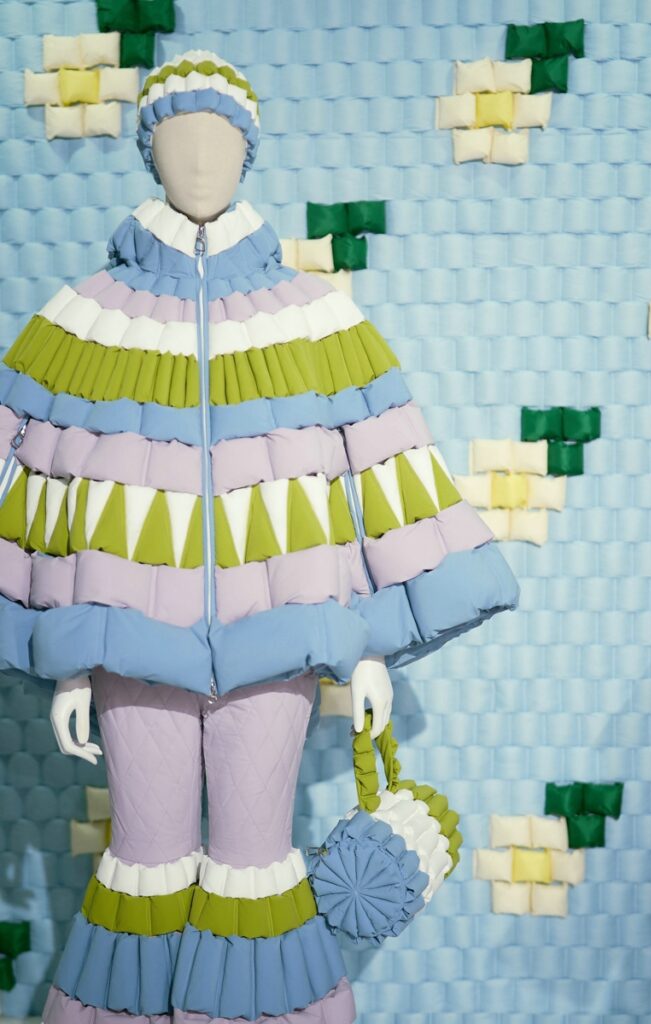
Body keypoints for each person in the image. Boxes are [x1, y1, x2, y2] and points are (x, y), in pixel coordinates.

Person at [0, 51, 519, 1024]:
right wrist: (63, 656)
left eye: (220, 137)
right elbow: (39, 490)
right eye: (179, 137)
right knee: (143, 858)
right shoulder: (81, 319)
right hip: (125, 644)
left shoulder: (317, 316)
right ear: (149, 151)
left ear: (249, 152)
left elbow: (378, 471)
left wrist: (368, 642)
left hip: (281, 639)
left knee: (255, 857)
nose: (201, 158)